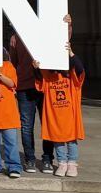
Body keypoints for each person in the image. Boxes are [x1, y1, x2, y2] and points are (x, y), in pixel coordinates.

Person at [36, 16, 85, 178]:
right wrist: (36, 67)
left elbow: (80, 69)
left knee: (71, 140)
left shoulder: (71, 78)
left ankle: (72, 163)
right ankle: (62, 162)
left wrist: (70, 53)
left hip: (69, 115)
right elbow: (39, 79)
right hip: (55, 116)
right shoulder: (49, 77)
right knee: (57, 140)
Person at [11, 31, 57, 173]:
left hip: (45, 85)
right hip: (24, 86)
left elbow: (62, 37)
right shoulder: (16, 38)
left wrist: (68, 24)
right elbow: (13, 63)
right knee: (26, 126)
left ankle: (47, 159)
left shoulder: (46, 32)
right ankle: (29, 159)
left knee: (47, 124)